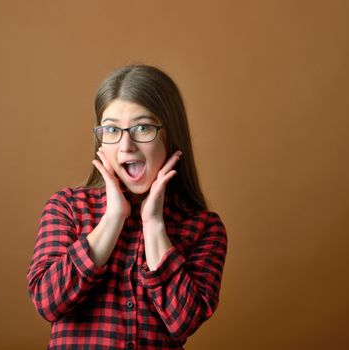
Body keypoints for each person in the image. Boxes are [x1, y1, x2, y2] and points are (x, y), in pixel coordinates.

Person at [27, 64, 228, 349]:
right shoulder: (67, 208)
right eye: (111, 129)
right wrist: (113, 218)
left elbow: (184, 321)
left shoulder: (204, 227)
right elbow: (48, 303)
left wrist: (154, 225)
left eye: (142, 127)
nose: (126, 145)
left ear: (171, 135)